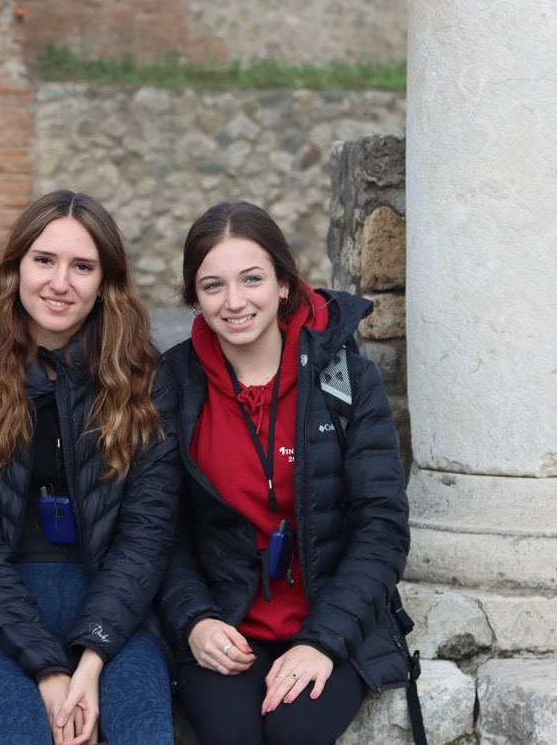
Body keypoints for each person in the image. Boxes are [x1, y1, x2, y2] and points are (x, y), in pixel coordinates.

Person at [157, 201, 412, 745]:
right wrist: (195, 620)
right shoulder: (171, 383)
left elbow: (382, 529)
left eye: (252, 279)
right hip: (224, 622)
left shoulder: (348, 379)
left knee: (295, 732)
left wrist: (323, 641)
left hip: (332, 617)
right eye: (213, 286)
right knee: (232, 734)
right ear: (194, 299)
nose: (235, 302)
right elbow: (160, 529)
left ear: (284, 284)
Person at [0, 190, 182, 745]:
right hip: (0, 613)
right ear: (16, 268)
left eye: (82, 267)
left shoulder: (145, 380)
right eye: (44, 260)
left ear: (105, 282)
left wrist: (91, 659)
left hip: (116, 607)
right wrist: (48, 669)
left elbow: (147, 534)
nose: (60, 283)